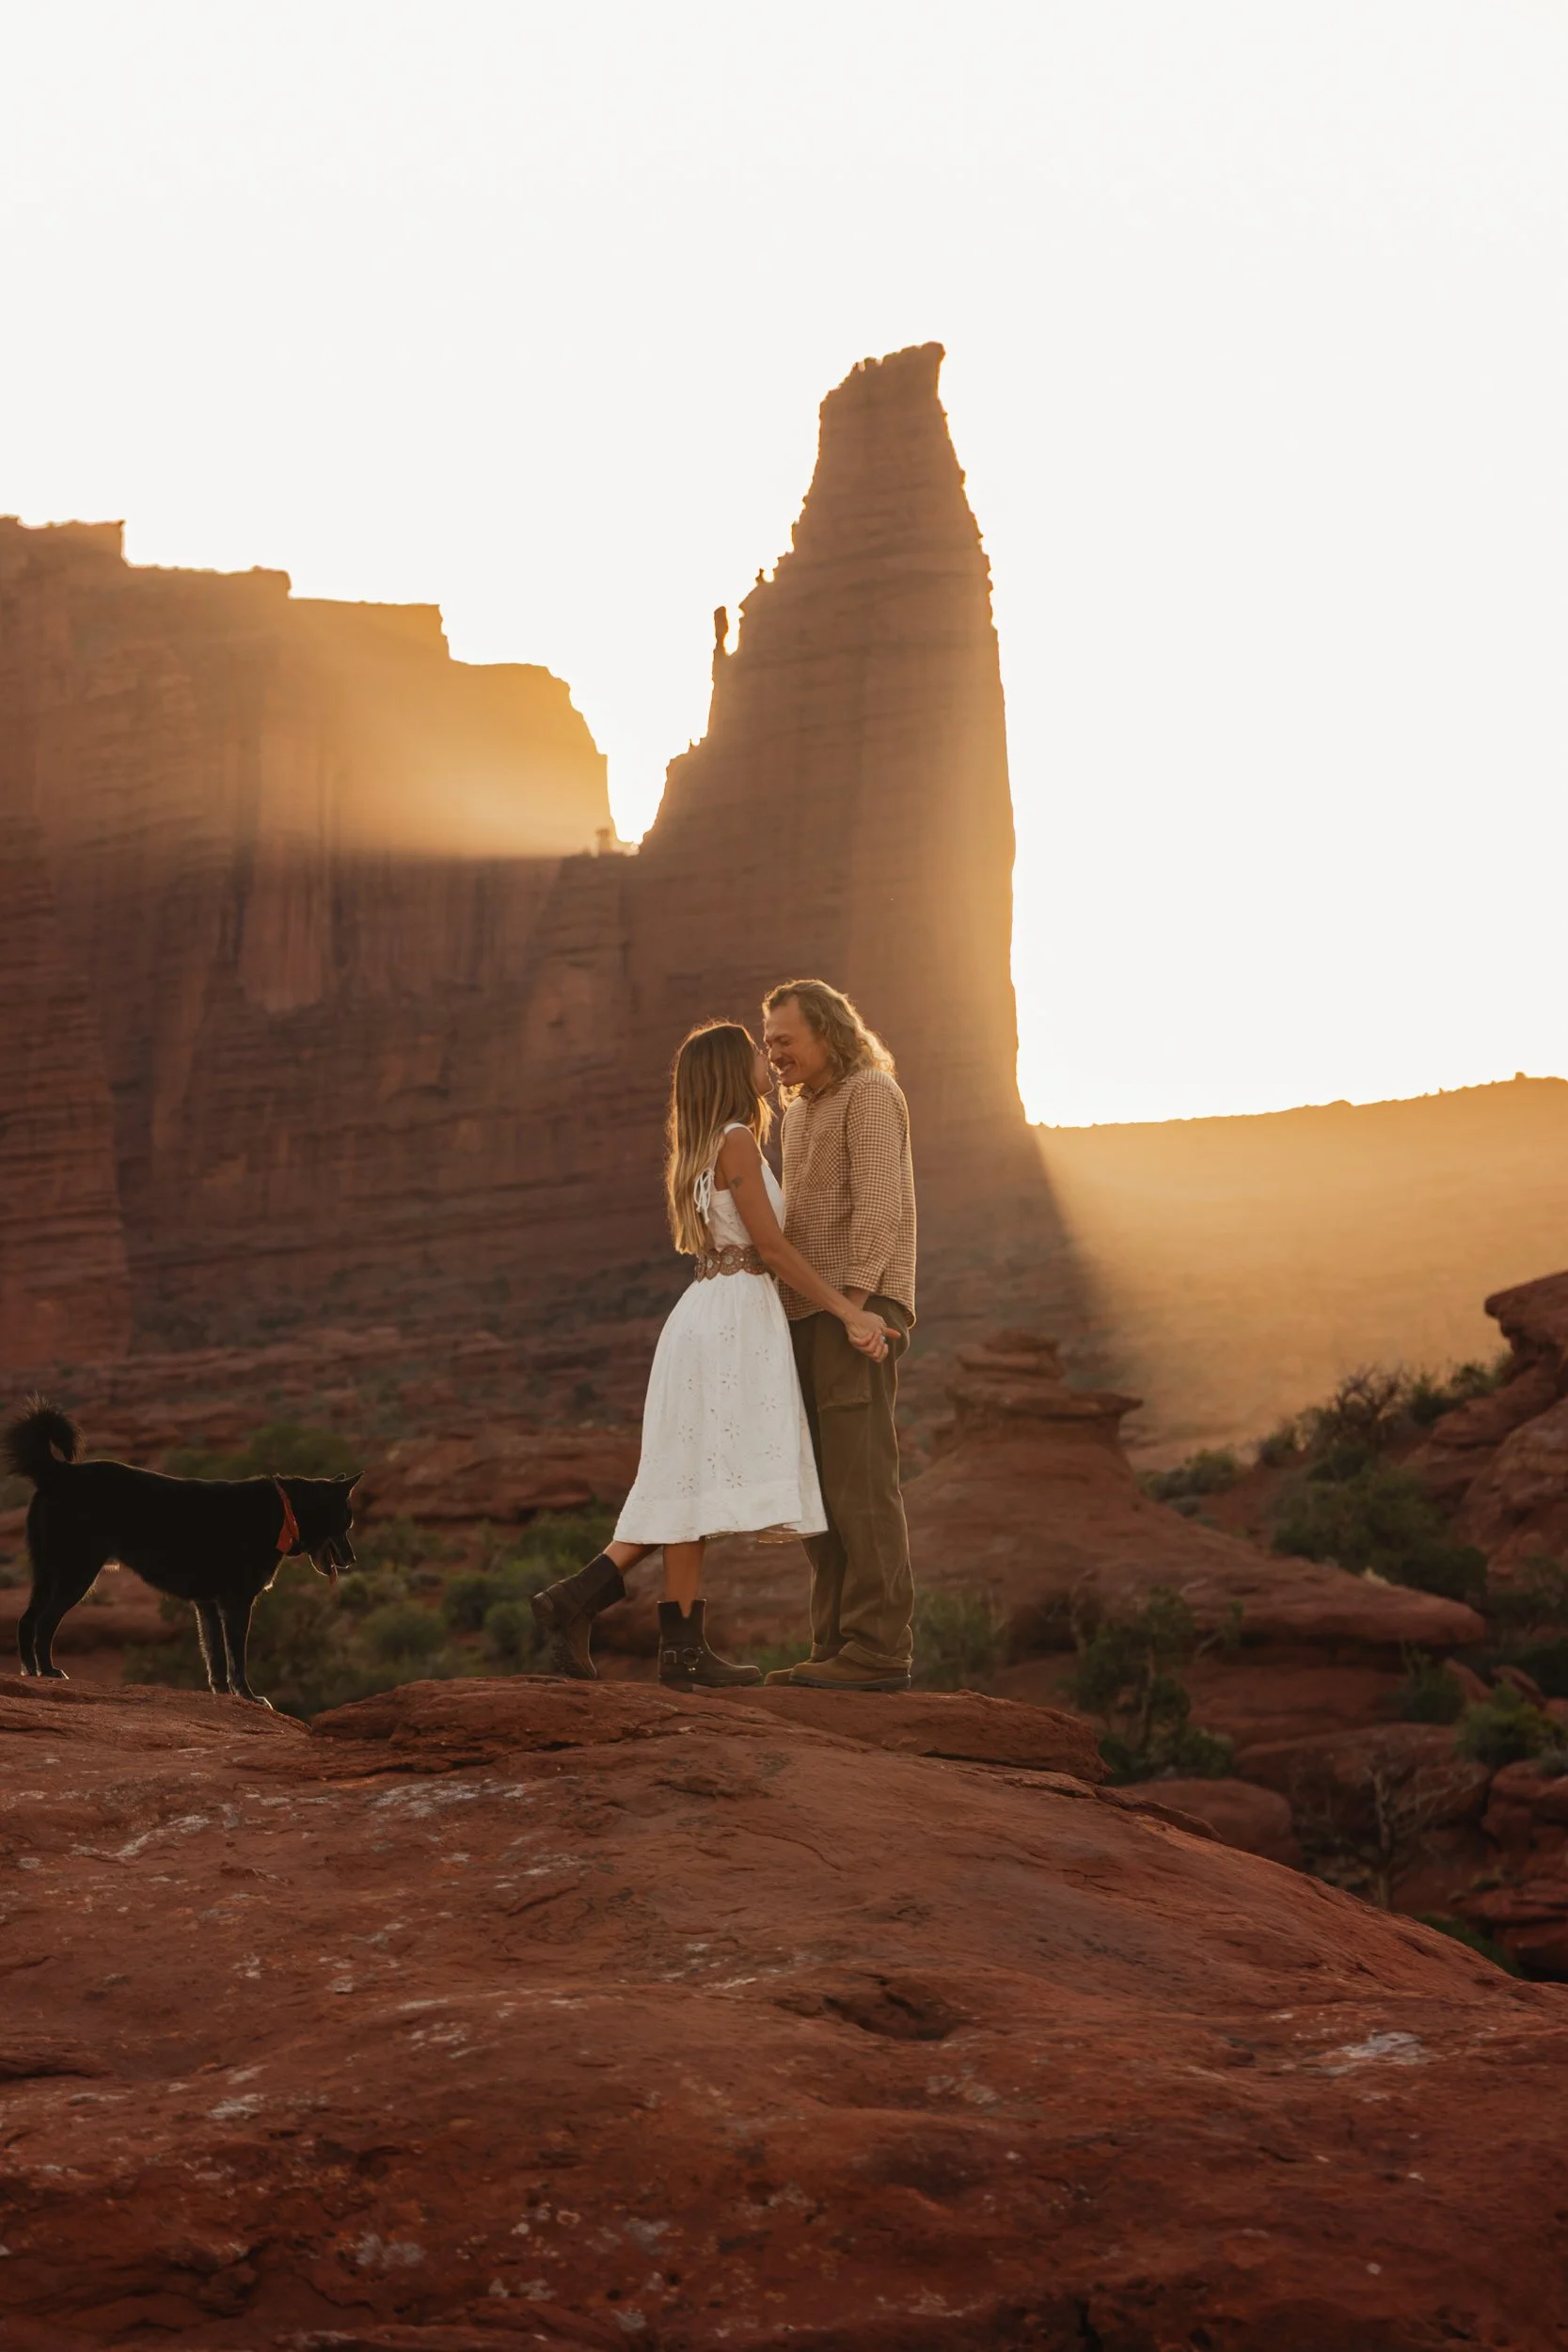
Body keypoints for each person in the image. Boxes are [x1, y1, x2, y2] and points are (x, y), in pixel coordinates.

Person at [530, 1021, 890, 1691]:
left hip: (705, 1313)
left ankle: (668, 1646)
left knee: (689, 1481)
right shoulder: (735, 1141)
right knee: (693, 1480)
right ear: (731, 1069)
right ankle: (605, 1614)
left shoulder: (700, 1147)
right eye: (756, 1051)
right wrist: (847, 1310)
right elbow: (774, 1250)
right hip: (732, 1319)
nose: (767, 1058)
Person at [758, 979, 917, 1693]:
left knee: (860, 1483)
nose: (774, 1054)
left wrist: (855, 1307)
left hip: (857, 1311)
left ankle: (878, 1649)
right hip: (803, 1314)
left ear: (826, 1031)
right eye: (767, 1043)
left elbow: (880, 1206)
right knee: (817, 1492)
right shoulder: (795, 1117)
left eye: (784, 1039)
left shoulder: (869, 1092)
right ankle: (833, 1649)